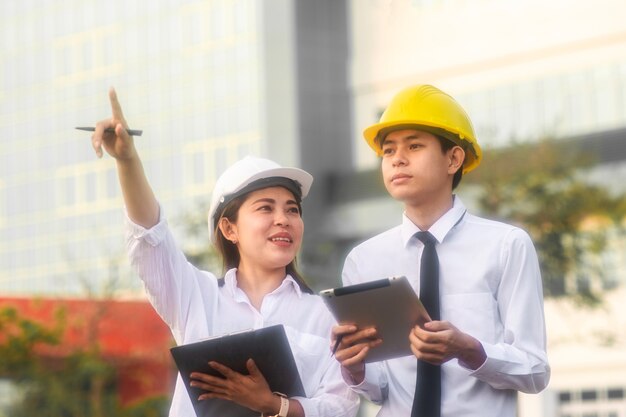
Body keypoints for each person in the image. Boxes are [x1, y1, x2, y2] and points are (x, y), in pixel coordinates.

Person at [90, 87, 359, 417]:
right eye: (265, 208)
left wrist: (275, 406)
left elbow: (341, 407)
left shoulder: (327, 315)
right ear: (230, 229)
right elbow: (150, 239)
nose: (283, 220)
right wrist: (128, 161)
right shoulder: (196, 297)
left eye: (292, 210)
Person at [331, 84, 550, 417]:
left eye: (414, 146)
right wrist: (354, 367)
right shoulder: (363, 260)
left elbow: (534, 371)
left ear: (453, 159)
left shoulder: (506, 245)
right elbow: (379, 389)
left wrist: (470, 350)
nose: (397, 159)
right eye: (388, 151)